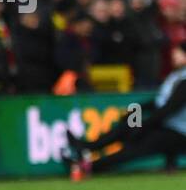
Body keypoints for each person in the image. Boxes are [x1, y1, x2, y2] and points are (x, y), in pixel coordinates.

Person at [66, 40, 186, 178]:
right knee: (129, 125)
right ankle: (88, 147)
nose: (174, 56)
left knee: (137, 145)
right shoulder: (176, 76)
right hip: (167, 127)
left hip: (179, 132)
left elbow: (169, 109)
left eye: (179, 53)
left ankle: (90, 166)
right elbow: (159, 102)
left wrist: (144, 126)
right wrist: (135, 111)